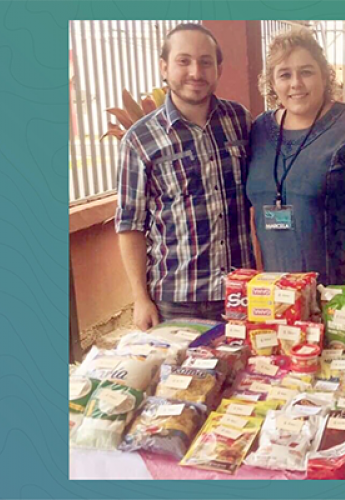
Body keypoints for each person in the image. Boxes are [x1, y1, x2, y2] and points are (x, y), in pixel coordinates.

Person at [116, 23, 254, 329]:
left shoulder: (240, 121)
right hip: (176, 301)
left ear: (218, 68)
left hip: (242, 293)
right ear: (164, 68)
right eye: (184, 61)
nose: (196, 71)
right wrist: (140, 298)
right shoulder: (140, 140)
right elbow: (130, 225)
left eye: (206, 61)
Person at [246, 29, 345, 293]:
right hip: (277, 293)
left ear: (324, 75)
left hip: (340, 289)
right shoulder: (259, 130)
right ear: (272, 82)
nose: (296, 83)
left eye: (306, 71)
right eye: (284, 74)